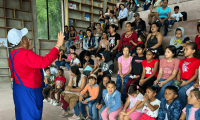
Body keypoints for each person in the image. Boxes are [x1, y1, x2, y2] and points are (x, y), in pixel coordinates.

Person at [8, 28, 64, 120]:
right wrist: (57, 46)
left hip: (19, 90)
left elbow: (27, 65)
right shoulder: (25, 54)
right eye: (25, 38)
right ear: (22, 41)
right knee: (31, 116)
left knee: (22, 115)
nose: (28, 40)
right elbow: (44, 62)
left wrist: (28, 51)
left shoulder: (12, 54)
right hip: (29, 92)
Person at [176, 42, 200, 108]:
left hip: (191, 81)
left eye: (187, 49)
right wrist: (179, 81)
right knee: (173, 89)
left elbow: (196, 75)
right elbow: (179, 72)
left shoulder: (197, 61)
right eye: (184, 49)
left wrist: (185, 83)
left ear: (193, 51)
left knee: (181, 92)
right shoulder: (182, 61)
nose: (184, 51)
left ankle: (182, 109)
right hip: (181, 80)